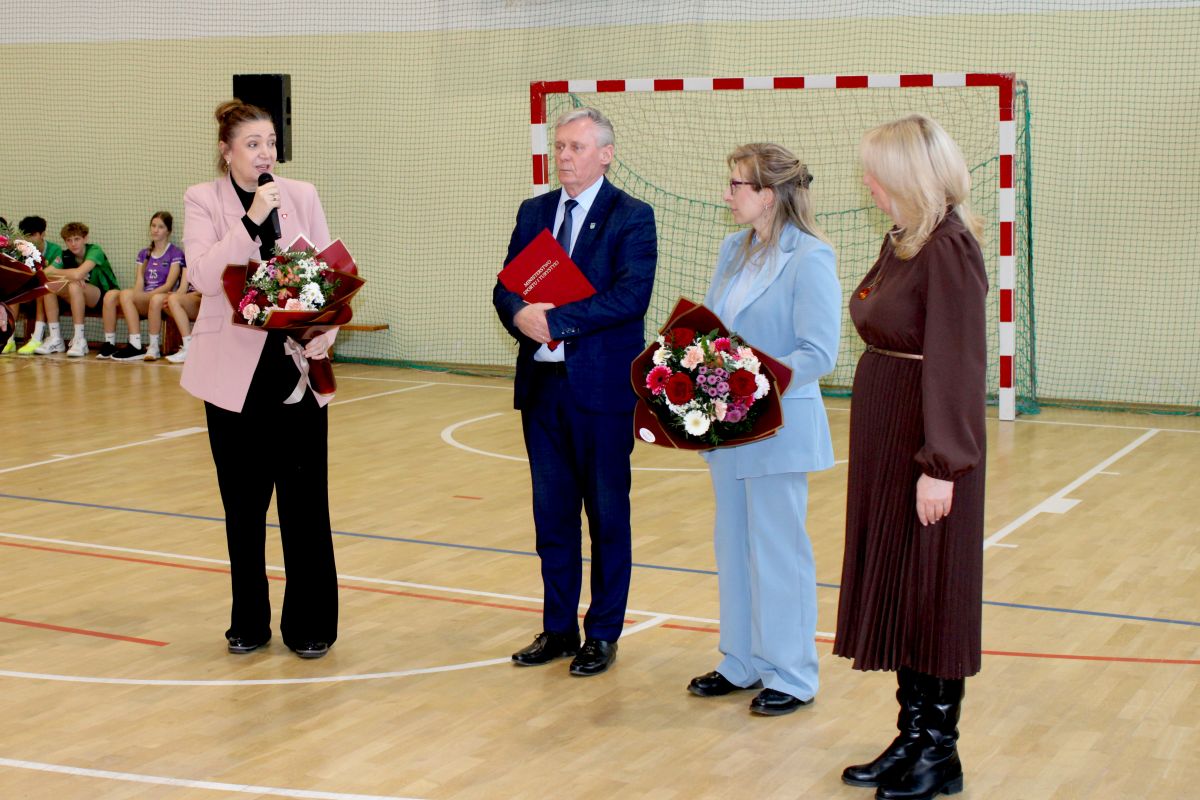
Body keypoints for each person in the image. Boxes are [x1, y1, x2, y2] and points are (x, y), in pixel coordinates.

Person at [834, 114, 987, 800]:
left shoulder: (949, 246)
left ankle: (939, 752)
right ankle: (912, 734)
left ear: (907, 177)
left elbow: (958, 363)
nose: (868, 183)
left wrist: (940, 464)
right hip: (889, 434)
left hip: (927, 441)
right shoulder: (903, 240)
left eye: (876, 173)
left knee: (932, 590)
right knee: (902, 582)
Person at [493, 107, 657, 677]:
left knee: (607, 517)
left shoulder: (631, 216)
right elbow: (506, 286)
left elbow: (631, 296)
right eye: (560, 146)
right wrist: (519, 313)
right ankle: (558, 628)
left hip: (602, 392)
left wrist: (554, 321)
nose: (564, 156)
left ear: (606, 155)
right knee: (553, 517)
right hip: (542, 390)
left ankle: (603, 633)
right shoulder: (534, 212)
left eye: (577, 147)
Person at [685, 144, 842, 716]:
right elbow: (713, 332)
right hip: (728, 427)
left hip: (778, 427)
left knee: (779, 552)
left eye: (736, 185)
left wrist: (750, 380)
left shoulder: (811, 257)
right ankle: (742, 661)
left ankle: (793, 673)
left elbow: (819, 352)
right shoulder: (732, 249)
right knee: (733, 547)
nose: (727, 195)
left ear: (768, 195)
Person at [181, 99, 339, 659]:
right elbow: (203, 276)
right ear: (226, 152)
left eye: (270, 142)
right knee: (244, 507)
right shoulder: (203, 200)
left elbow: (327, 273)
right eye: (252, 144)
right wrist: (249, 221)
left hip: (295, 369)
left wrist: (325, 333)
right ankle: (248, 620)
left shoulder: (303, 195)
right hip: (233, 376)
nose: (265, 153)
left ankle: (310, 624)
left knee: (305, 505)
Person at [99, 211, 186, 361]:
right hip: (145, 297)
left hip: (161, 298)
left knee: (129, 295)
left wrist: (146, 296)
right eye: (153, 225)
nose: (155, 230)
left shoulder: (175, 253)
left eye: (160, 227)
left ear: (168, 231)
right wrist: (138, 295)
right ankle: (112, 344)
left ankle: (140, 345)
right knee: (111, 295)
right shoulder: (144, 254)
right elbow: (139, 282)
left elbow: (168, 285)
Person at [34, 221, 118, 357]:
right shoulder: (65, 255)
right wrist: (70, 275)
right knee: (49, 285)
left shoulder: (95, 250)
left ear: (85, 238)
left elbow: (78, 274)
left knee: (75, 284)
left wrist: (69, 274)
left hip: (104, 297)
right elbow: (45, 274)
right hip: (77, 297)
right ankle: (55, 338)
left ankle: (79, 339)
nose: (73, 244)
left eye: (77, 239)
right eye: (69, 240)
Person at [4, 216, 64, 355]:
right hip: (26, 292)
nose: (29, 239)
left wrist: (32, 278)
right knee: (13, 290)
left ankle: (37, 338)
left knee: (41, 287)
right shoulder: (20, 250)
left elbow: (53, 271)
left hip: (50, 295)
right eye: (26, 236)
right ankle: (9, 339)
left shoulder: (55, 249)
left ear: (42, 234)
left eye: (33, 235)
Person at [163, 271, 202, 363]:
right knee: (165, 301)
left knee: (174, 299)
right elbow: (183, 288)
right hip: (192, 298)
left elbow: (210, 289)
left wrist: (177, 298)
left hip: (209, 300)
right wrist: (174, 296)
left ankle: (190, 348)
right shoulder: (187, 264)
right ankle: (188, 345)